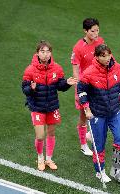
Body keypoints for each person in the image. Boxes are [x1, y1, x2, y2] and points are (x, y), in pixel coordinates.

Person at [77, 44, 120, 184]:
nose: (107, 58)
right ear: (96, 57)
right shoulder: (89, 73)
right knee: (99, 145)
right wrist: (87, 109)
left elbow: (119, 86)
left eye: (108, 55)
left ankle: (116, 170)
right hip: (97, 114)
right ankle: (100, 171)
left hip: (115, 111)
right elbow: (81, 92)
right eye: (103, 56)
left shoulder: (118, 68)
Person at [22, 40, 77, 171]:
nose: (46, 54)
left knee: (51, 133)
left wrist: (67, 83)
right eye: (42, 51)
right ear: (37, 53)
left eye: (48, 51)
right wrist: (32, 88)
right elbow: (24, 89)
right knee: (40, 135)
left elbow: (60, 86)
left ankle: (49, 159)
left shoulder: (57, 68)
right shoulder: (30, 70)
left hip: (52, 106)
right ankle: (40, 158)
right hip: (37, 107)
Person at [71, 18, 104, 156]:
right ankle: (83, 144)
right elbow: (75, 70)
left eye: (97, 30)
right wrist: (79, 90)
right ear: (85, 31)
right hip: (85, 86)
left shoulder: (100, 42)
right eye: (92, 31)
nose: (96, 33)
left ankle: (90, 135)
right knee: (84, 115)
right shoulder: (78, 47)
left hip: (97, 84)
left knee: (100, 111)